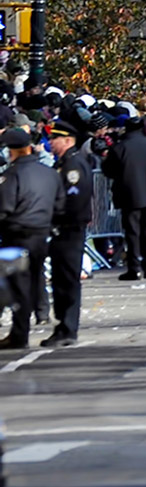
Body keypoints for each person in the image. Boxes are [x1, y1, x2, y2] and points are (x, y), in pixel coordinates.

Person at [0, 127, 56, 348]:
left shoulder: (11, 176)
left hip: (18, 233)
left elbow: (4, 207)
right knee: (37, 274)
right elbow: (60, 203)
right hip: (42, 232)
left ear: (11, 150)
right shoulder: (49, 173)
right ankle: (42, 311)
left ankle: (19, 332)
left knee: (18, 283)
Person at [42, 115, 94, 347]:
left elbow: (73, 199)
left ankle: (67, 327)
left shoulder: (73, 165)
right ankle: (64, 324)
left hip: (69, 228)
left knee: (67, 279)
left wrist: (56, 216)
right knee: (61, 279)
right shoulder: (64, 163)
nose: (51, 142)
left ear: (69, 141)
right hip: (62, 228)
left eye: (56, 139)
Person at [103, 114, 146, 281]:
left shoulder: (120, 147)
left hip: (128, 192)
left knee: (132, 232)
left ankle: (134, 267)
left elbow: (109, 169)